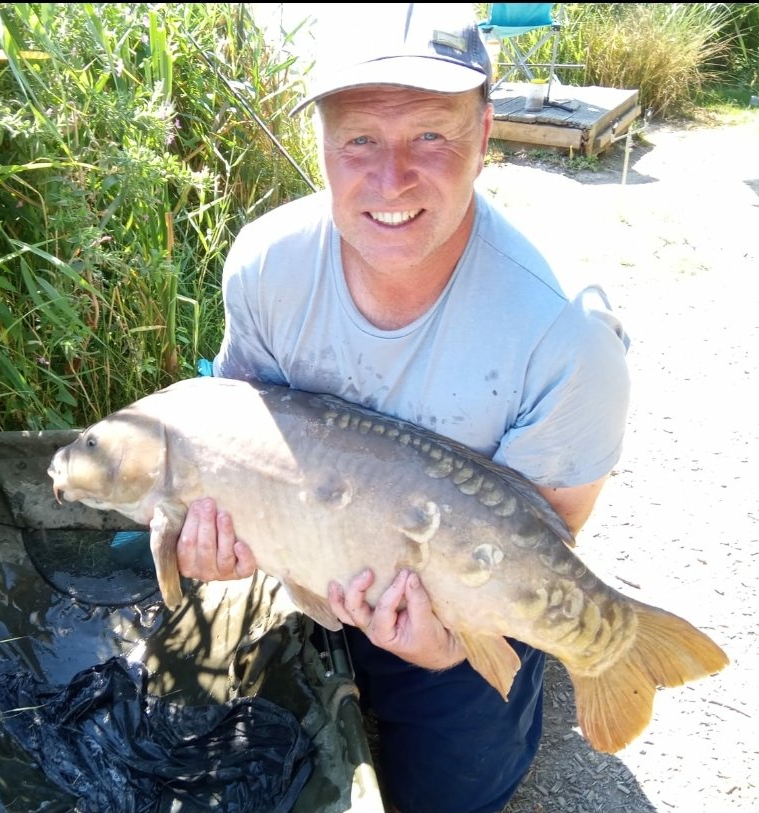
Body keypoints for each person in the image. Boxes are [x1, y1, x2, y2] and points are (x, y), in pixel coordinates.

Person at [176, 4, 630, 812]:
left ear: (485, 134)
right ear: (319, 139)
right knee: (208, 739)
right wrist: (230, 535)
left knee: (446, 796)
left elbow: (542, 539)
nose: (390, 180)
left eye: (430, 135)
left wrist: (447, 644)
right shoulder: (265, 265)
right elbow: (239, 426)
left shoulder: (565, 340)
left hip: (449, 596)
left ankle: (544, 678)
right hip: (310, 549)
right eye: (357, 139)